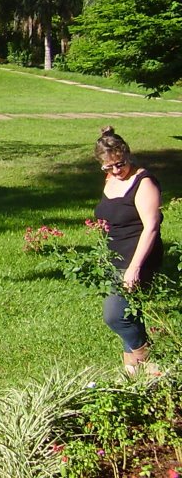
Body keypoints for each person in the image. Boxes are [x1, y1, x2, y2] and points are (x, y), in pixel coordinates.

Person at [93, 125, 164, 373]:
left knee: (115, 315)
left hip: (138, 259)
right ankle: (133, 374)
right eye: (108, 166)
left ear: (127, 154)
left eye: (120, 164)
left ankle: (151, 359)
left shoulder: (143, 182)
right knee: (130, 314)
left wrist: (134, 268)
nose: (116, 170)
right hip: (114, 258)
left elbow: (151, 227)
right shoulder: (110, 178)